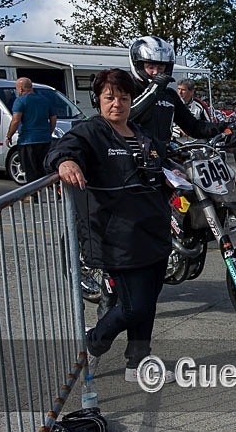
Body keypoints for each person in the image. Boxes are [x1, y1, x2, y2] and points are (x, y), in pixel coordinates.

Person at [45, 68, 175, 384]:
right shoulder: (90, 131)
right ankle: (94, 340)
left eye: (124, 97)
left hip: (154, 233)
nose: (117, 103)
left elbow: (162, 170)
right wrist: (65, 162)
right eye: (110, 97)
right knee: (134, 306)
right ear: (99, 100)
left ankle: (138, 363)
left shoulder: (141, 134)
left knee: (148, 304)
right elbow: (61, 150)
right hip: (118, 237)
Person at [127, 35, 221, 142]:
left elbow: (194, 127)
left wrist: (224, 127)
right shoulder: (126, 89)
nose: (156, 72)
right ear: (139, 66)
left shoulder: (169, 95)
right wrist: (153, 89)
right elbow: (128, 117)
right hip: (133, 153)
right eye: (150, 67)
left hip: (161, 153)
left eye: (161, 68)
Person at [7, 77, 57, 184]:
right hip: (45, 140)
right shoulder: (45, 100)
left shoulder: (20, 101)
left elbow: (16, 120)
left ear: (20, 89)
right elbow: (53, 117)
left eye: (16, 89)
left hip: (27, 141)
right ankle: (50, 191)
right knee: (44, 168)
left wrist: (9, 136)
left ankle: (34, 196)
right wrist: (49, 131)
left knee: (30, 170)